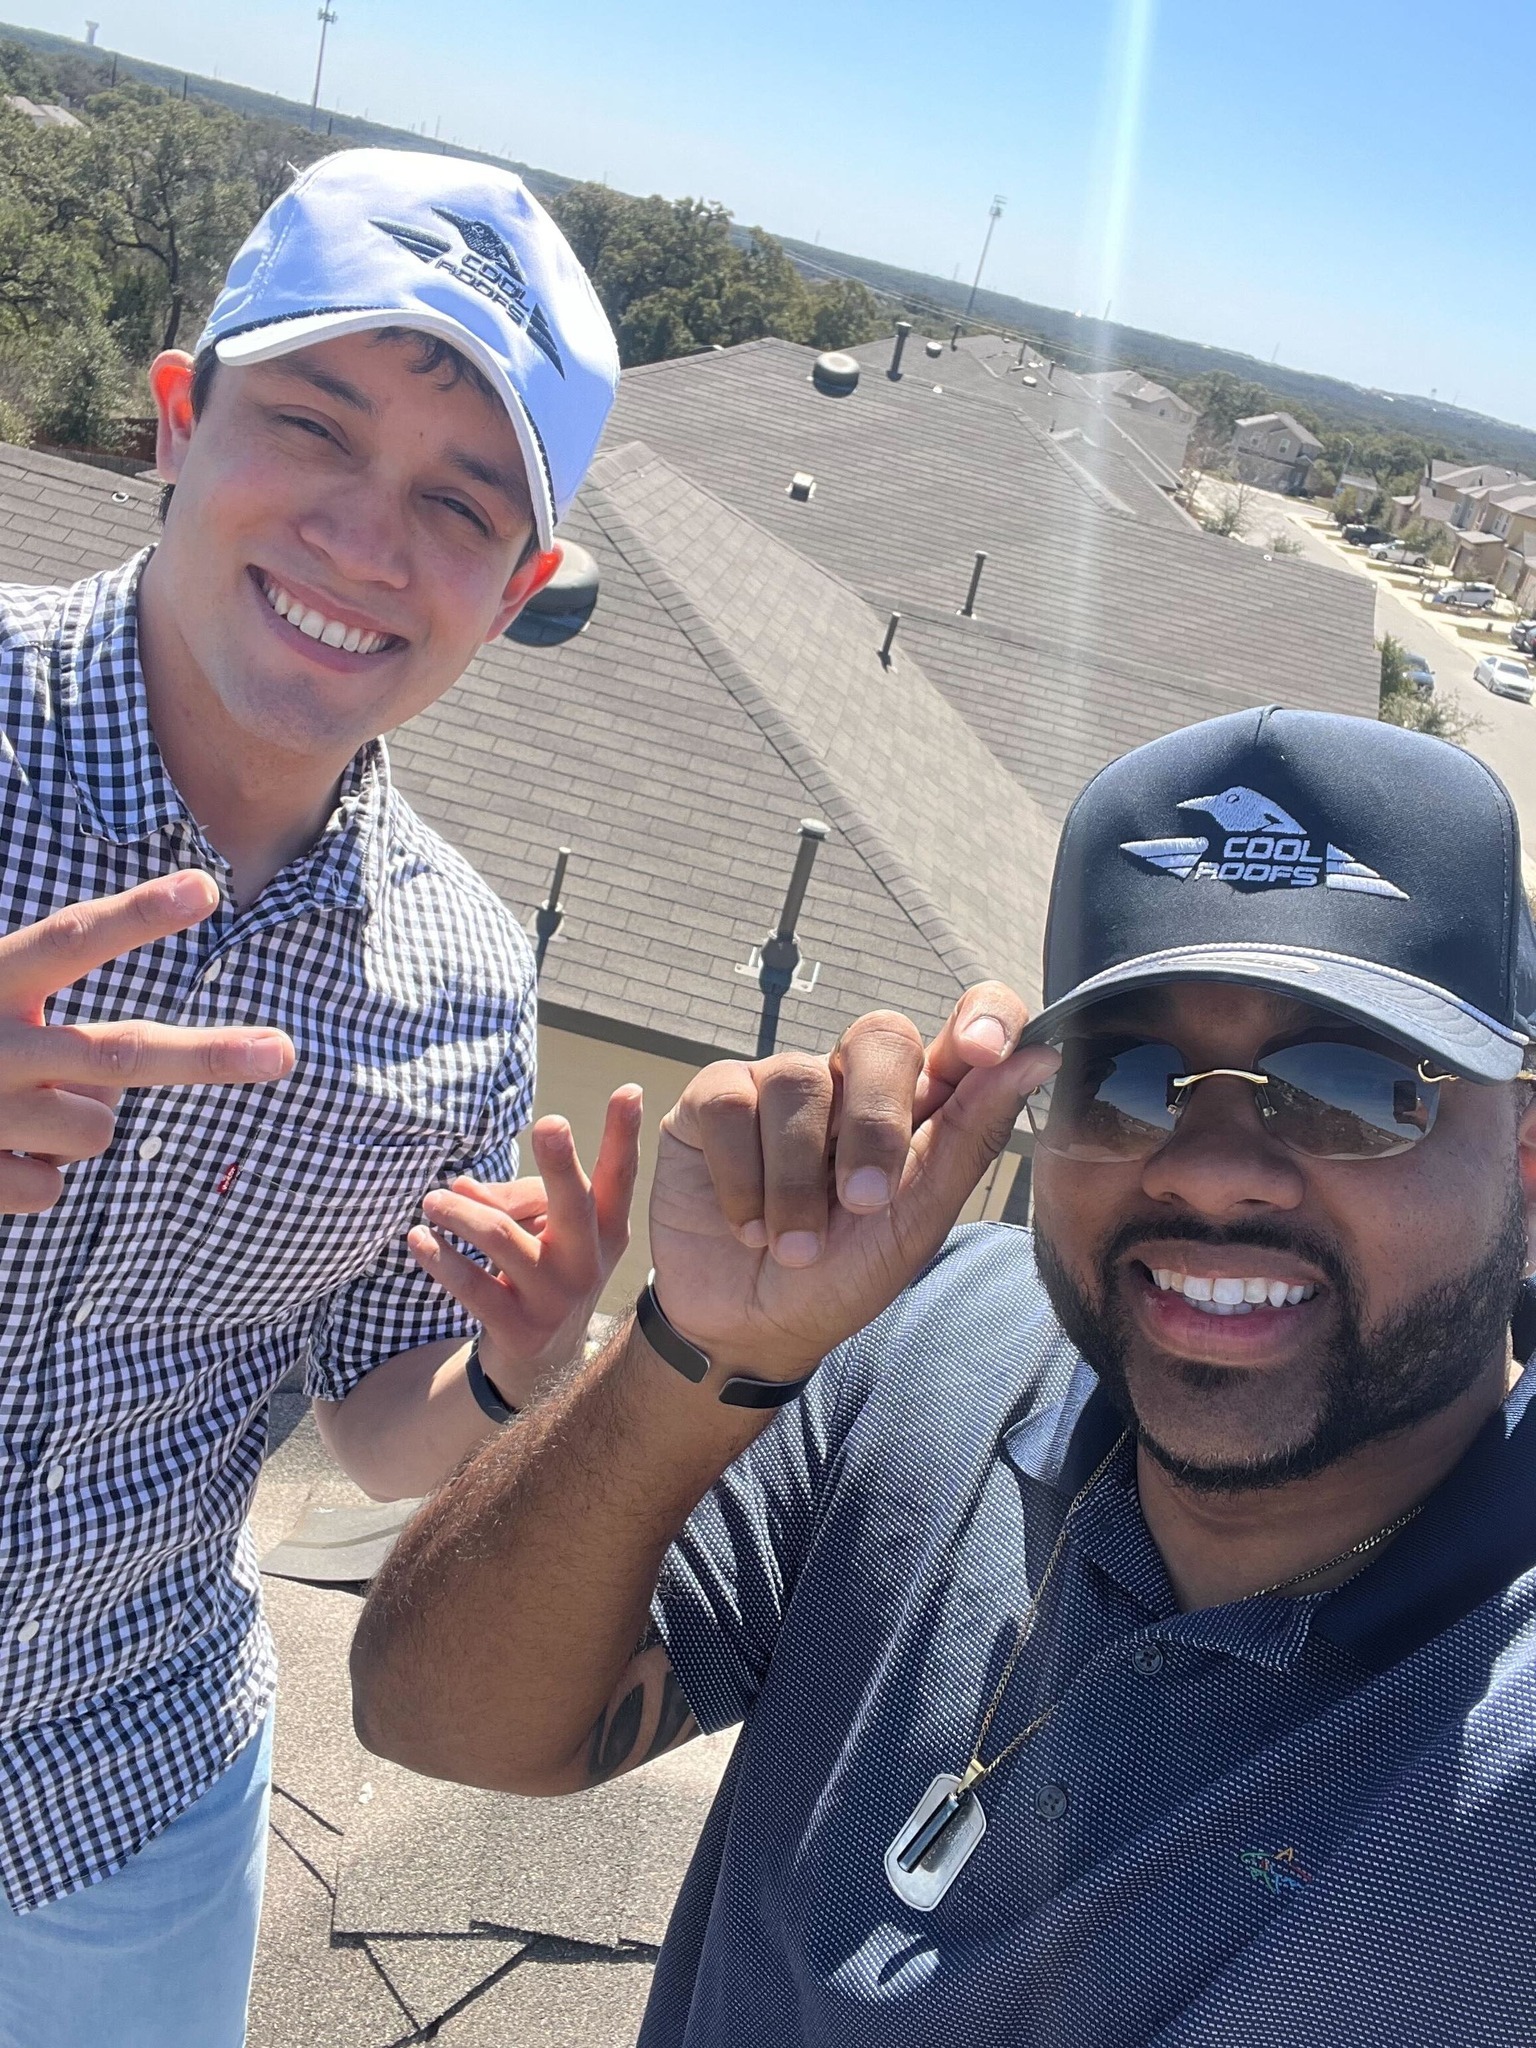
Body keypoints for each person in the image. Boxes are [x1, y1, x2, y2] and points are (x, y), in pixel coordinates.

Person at [354, 704, 1536, 2047]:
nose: (1209, 1166)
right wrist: (704, 1354)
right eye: (1130, 1079)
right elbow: (433, 1713)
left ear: (1526, 1170)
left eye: (1349, 1088)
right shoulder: (925, 1344)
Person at [0, 149, 637, 2048]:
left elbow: (378, 1428)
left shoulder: (458, 991)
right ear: (181, 414)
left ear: (517, 589)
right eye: (313, 426)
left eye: (459, 503)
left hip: (111, 1813)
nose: (371, 541)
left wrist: (521, 1376)